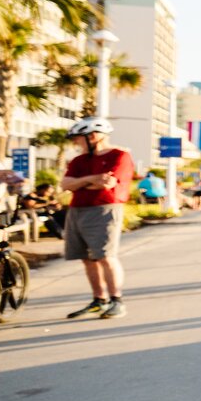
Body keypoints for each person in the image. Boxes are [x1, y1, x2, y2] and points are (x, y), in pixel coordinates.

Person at [60, 116, 136, 319]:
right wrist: (91, 179)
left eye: (78, 138)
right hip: (77, 210)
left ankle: (116, 300)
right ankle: (99, 300)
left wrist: (80, 182)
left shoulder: (119, 156)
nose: (76, 142)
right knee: (87, 258)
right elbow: (65, 184)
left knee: (105, 256)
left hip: (103, 209)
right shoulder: (79, 160)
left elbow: (107, 183)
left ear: (92, 136)